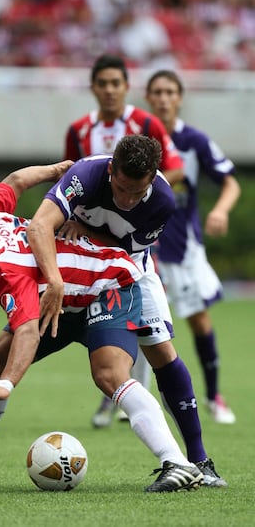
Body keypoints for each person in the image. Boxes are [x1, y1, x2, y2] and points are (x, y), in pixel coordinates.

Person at [0, 154, 204, 492]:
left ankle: (178, 463)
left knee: (108, 375)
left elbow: (27, 332)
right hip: (61, 300)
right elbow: (14, 182)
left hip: (108, 286)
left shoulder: (9, 275)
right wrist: (53, 171)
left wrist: (5, 387)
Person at [26, 134, 226, 488]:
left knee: (163, 353)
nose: (127, 199)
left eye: (136, 192)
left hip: (130, 270)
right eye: (120, 188)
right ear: (110, 170)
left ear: (151, 179)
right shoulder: (85, 174)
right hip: (75, 269)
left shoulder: (163, 198)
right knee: (10, 342)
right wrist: (55, 279)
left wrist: (82, 227)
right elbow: (41, 222)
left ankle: (199, 461)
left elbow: (124, 249)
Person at [64, 53, 183, 427]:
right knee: (92, 318)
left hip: (133, 240)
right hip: (86, 240)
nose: (110, 90)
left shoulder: (145, 123)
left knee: (146, 322)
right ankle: (114, 393)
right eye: (103, 83)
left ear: (126, 87)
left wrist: (137, 201)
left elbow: (173, 170)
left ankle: (131, 392)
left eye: (117, 83)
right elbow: (69, 175)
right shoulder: (80, 130)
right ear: (94, 88)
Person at [145, 69, 241, 424]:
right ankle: (123, 402)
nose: (164, 97)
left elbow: (230, 183)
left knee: (198, 320)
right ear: (148, 97)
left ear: (179, 97)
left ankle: (214, 395)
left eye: (170, 91)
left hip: (183, 247)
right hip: (143, 246)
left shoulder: (195, 140)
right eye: (157, 91)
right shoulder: (140, 140)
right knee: (138, 322)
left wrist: (220, 209)